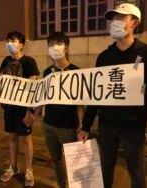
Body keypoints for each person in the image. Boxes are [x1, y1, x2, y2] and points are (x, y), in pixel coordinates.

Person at [78, 3, 147, 188]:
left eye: (120, 18)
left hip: (134, 128)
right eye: (113, 18)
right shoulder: (104, 57)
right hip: (107, 126)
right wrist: (86, 126)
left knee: (136, 174)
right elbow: (96, 94)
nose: (114, 23)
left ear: (134, 23)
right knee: (105, 170)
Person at [36, 32, 85, 188]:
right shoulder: (47, 72)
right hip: (48, 124)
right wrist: (37, 110)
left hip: (68, 126)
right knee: (56, 161)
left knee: (72, 161)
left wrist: (82, 127)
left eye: (58, 44)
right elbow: (43, 95)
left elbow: (80, 104)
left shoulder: (76, 72)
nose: (54, 48)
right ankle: (62, 185)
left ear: (66, 47)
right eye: (50, 45)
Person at [0, 31, 39, 186]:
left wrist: (31, 111)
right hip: (9, 108)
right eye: (7, 40)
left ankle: (29, 170)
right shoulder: (5, 61)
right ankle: (13, 167)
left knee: (26, 139)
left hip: (23, 109)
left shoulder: (29, 62)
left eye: (13, 41)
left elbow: (33, 88)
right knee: (12, 137)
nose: (9, 43)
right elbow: (0, 81)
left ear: (21, 44)